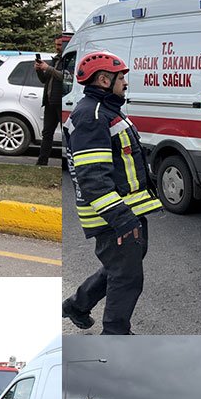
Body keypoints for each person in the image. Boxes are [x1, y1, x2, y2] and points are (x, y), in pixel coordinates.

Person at [60, 50, 162, 335]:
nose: (125, 83)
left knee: (120, 268)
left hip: (125, 211)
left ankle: (77, 305)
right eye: (121, 78)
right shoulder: (92, 117)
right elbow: (94, 180)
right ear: (104, 80)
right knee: (127, 278)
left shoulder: (104, 110)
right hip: (112, 218)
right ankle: (115, 336)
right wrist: (123, 221)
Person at [34, 32, 72, 166]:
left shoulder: (69, 60)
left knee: (65, 133)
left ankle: (68, 162)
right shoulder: (55, 59)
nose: (57, 47)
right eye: (56, 45)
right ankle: (42, 162)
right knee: (47, 133)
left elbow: (65, 77)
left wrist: (48, 68)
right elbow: (44, 80)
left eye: (60, 45)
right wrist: (39, 70)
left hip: (61, 102)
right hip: (50, 102)